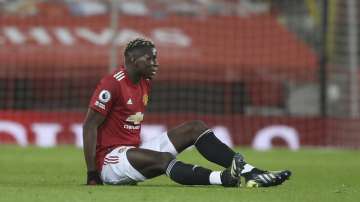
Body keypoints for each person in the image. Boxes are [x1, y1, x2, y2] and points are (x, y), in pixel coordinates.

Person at [82, 38, 291, 187]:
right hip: (109, 162)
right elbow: (90, 125)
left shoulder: (144, 82)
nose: (156, 63)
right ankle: (224, 179)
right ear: (132, 60)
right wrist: (93, 173)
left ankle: (252, 173)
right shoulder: (112, 84)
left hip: (131, 152)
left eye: (155, 58)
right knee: (164, 159)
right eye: (150, 59)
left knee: (195, 128)